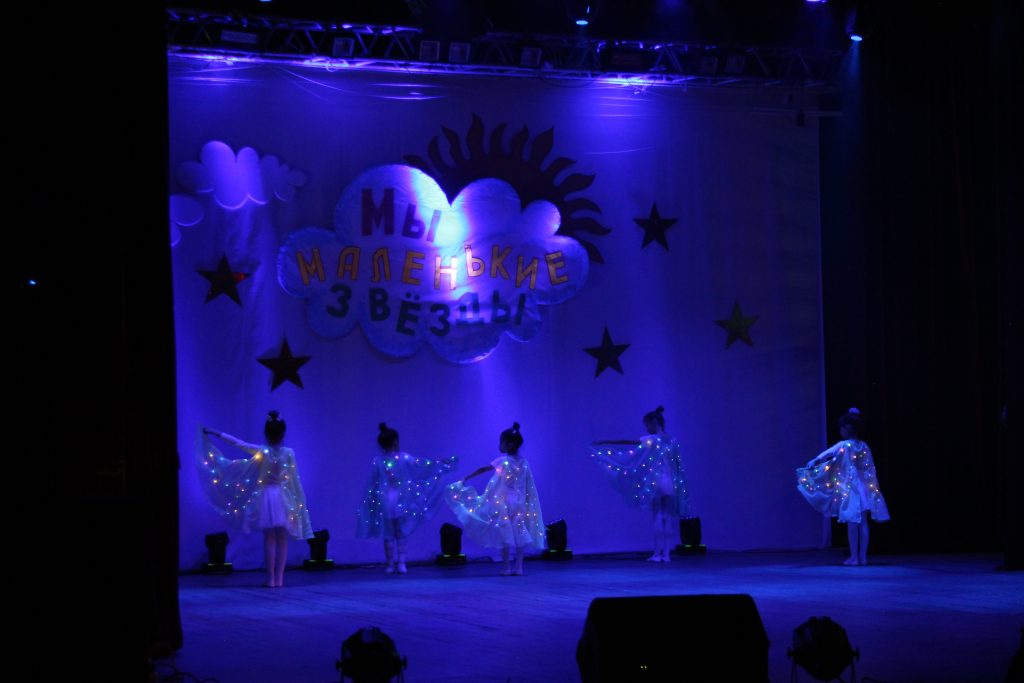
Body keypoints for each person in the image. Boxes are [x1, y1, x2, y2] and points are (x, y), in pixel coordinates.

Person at [198, 410, 313, 586]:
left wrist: (216, 432)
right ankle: (280, 578)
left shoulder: (263, 451)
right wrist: (299, 504)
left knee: (270, 538)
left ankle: (270, 579)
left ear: (266, 433)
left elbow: (239, 443)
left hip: (267, 497)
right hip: (284, 498)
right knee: (282, 539)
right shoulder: (289, 453)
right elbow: (294, 480)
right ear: (283, 433)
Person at [588, 406, 689, 562]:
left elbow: (629, 442)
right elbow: (677, 465)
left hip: (656, 481)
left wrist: (604, 442)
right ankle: (667, 554)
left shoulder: (652, 440)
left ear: (653, 423)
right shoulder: (672, 440)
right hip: (670, 482)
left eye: (647, 425)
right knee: (667, 517)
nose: (646, 428)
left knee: (657, 516)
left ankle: (657, 554)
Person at [355, 423, 457, 574]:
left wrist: (438, 463)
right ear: (395, 441)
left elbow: (421, 465)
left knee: (392, 532)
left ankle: (395, 563)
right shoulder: (386, 460)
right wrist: (439, 463)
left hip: (394, 499)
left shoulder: (395, 459)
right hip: (391, 500)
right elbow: (421, 465)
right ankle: (397, 563)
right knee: (395, 532)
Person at [446, 422, 545, 576]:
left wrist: (466, 477)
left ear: (510, 444)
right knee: (519, 533)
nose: (500, 445)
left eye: (502, 441)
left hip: (504, 502)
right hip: (518, 503)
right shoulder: (524, 463)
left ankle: (506, 567)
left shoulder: (504, 461)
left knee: (505, 533)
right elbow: (528, 484)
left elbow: (483, 469)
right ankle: (519, 567)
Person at [796, 407, 890, 566]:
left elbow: (828, 453)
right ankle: (863, 557)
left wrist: (815, 460)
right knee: (863, 523)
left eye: (842, 427)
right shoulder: (864, 446)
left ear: (847, 428)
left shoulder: (844, 445)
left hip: (850, 489)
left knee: (852, 523)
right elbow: (868, 468)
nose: (840, 430)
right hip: (864, 489)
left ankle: (854, 557)